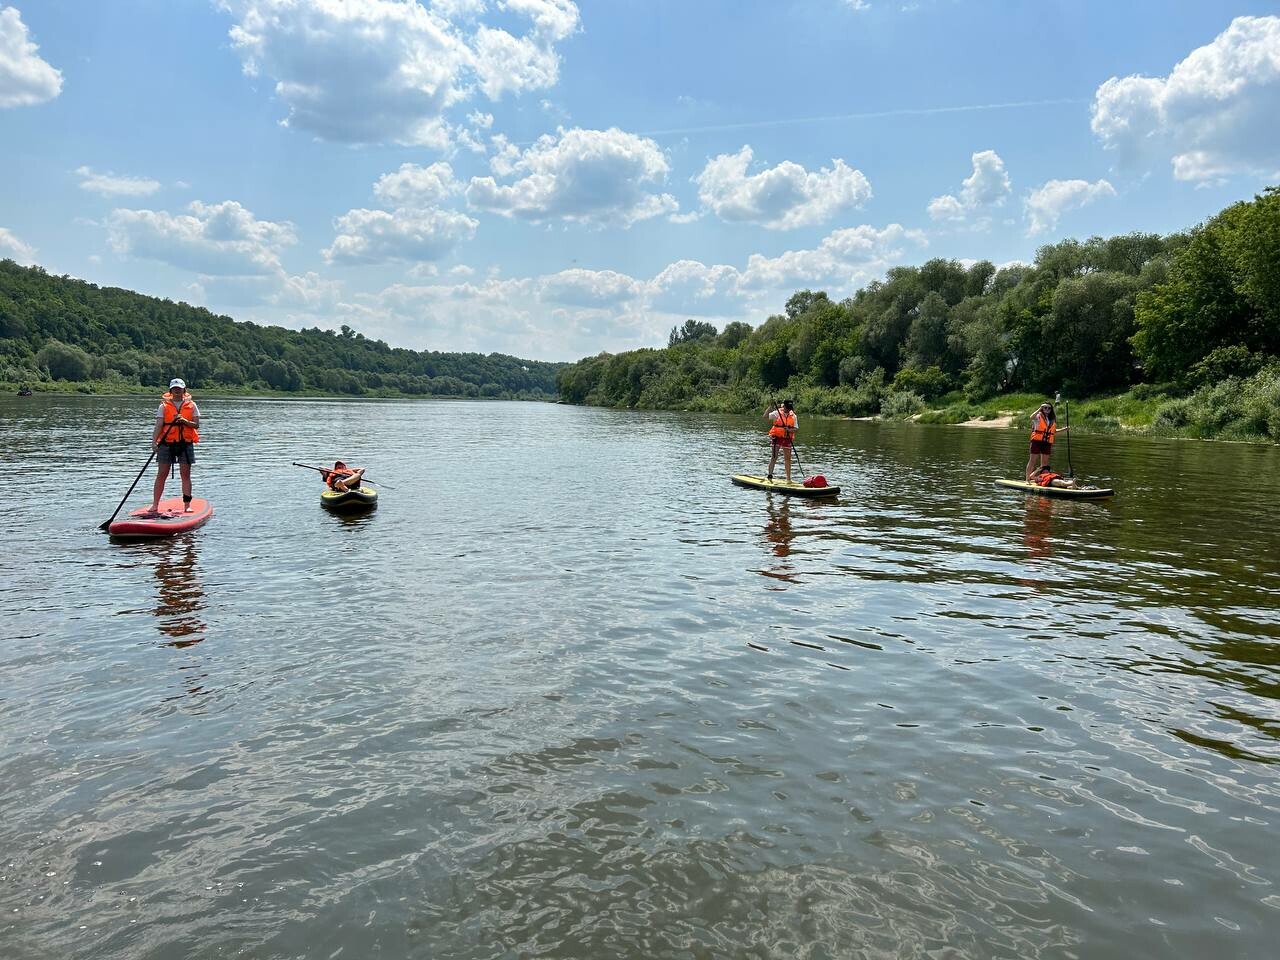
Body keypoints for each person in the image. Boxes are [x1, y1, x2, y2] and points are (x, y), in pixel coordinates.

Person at [150, 378, 200, 513]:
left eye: (179, 389)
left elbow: (196, 425)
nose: (177, 391)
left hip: (185, 444)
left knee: (185, 475)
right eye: (174, 389)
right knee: (161, 474)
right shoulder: (163, 406)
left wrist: (184, 420)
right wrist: (154, 442)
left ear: (184, 390)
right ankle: (155, 505)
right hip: (166, 443)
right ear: (170, 391)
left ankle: (187, 505)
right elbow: (159, 425)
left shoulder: (192, 405)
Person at [1025, 401, 1067, 481]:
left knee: (1044, 464)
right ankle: (1027, 479)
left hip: (1047, 443)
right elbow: (1031, 417)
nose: (1047, 409)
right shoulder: (1038, 416)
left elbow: (1053, 432)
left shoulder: (1052, 419)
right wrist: (1039, 409)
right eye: (1045, 407)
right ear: (1042, 408)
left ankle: (1043, 479)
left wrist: (1064, 429)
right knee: (1032, 461)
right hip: (1036, 442)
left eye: (1049, 408)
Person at [765, 399, 798, 483]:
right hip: (777, 437)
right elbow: (765, 416)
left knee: (788, 459)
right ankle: (770, 475)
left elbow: (796, 429)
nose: (789, 410)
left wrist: (789, 430)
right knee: (774, 457)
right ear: (784, 406)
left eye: (790, 408)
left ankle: (788, 479)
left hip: (787, 438)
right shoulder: (777, 413)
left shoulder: (793, 416)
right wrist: (770, 406)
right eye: (787, 408)